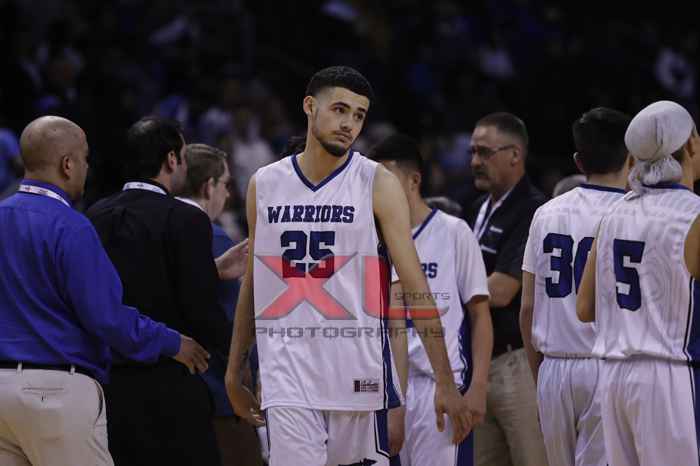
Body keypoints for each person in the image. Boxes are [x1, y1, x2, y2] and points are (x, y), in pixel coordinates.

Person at [225, 65, 472, 466]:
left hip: (359, 377)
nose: (349, 124)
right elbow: (254, 283)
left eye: (358, 115)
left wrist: (445, 380)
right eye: (339, 110)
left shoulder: (376, 182)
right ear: (310, 106)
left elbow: (414, 285)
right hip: (287, 375)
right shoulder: (264, 184)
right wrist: (235, 368)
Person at [0, 116, 209, 466]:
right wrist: (172, 342)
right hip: (55, 392)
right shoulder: (71, 226)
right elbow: (107, 317)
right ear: (67, 164)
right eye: (84, 158)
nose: (87, 167)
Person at [86, 117, 238, 466]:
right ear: (171, 159)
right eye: (182, 157)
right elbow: (201, 310)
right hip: (174, 380)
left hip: (111, 388)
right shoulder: (188, 219)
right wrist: (235, 351)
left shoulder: (95, 215)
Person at [577, 100, 700, 466]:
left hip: (614, 379)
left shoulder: (614, 212)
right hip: (671, 379)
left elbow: (585, 308)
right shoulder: (694, 215)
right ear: (690, 145)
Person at [370, 133, 493, 466]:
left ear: (413, 180)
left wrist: (478, 385)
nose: (377, 190)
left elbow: (480, 314)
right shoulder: (370, 238)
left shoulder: (454, 232)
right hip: (386, 387)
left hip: (438, 385)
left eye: (385, 179)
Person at [520, 107, 632, 466]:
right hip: (608, 369)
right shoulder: (634, 214)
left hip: (553, 369)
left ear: (578, 161)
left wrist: (539, 378)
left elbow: (527, 308)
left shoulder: (546, 213)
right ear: (631, 159)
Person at [466, 112, 548, 466]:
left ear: (515, 154)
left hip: (518, 364)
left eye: (485, 152)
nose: (475, 162)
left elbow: (502, 290)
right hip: (479, 364)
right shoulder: (477, 208)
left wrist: (440, 296)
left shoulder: (534, 210)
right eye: (473, 152)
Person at [176, 143, 258, 466]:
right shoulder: (213, 236)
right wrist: (249, 384)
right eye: (225, 184)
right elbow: (234, 326)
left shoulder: (159, 227)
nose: (228, 194)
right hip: (217, 397)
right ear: (209, 186)